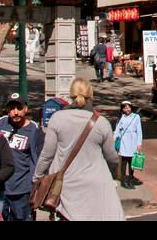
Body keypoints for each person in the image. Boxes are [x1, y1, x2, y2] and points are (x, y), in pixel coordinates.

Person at [32, 78, 125, 221]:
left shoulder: (57, 118)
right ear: (91, 95)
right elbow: (111, 157)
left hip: (65, 186)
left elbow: (47, 154)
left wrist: (37, 177)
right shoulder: (101, 123)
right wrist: (113, 174)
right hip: (96, 185)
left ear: (71, 95)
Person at [0, 93, 45, 221]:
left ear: (25, 109)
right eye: (11, 109)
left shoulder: (34, 130)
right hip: (0, 187)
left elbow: (37, 160)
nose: (15, 112)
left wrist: (36, 186)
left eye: (19, 108)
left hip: (22, 190)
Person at [113, 99, 144, 189]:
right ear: (122, 109)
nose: (127, 110)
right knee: (124, 161)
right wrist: (114, 138)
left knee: (132, 162)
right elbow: (117, 129)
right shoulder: (121, 118)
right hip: (124, 141)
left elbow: (139, 131)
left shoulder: (136, 117)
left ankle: (130, 179)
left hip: (133, 141)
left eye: (128, 108)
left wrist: (139, 143)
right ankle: (123, 180)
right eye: (125, 108)